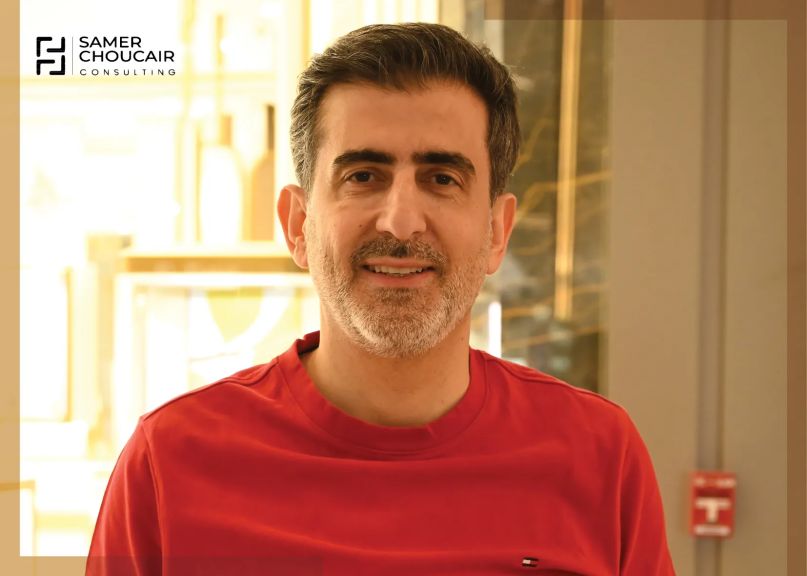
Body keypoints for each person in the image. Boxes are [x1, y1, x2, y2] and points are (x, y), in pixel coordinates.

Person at [87, 22, 675, 575]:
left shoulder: (599, 455)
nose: (400, 221)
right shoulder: (170, 464)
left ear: (497, 232)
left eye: (442, 179)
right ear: (297, 224)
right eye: (363, 176)